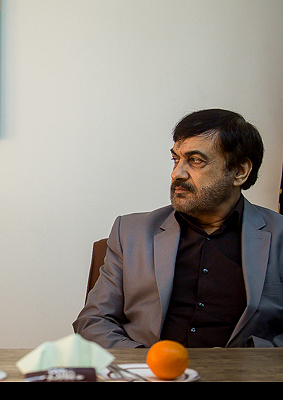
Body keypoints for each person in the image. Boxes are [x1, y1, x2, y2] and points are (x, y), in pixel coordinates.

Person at [73, 108, 283, 348]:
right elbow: (93, 322)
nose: (176, 173)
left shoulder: (278, 236)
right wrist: (148, 362)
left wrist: (247, 361)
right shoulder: (131, 233)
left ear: (240, 172)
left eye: (195, 161)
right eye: (176, 159)